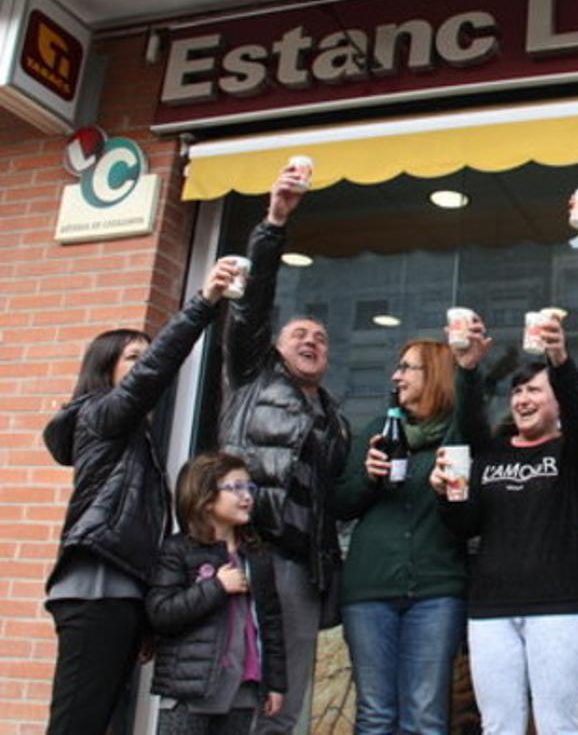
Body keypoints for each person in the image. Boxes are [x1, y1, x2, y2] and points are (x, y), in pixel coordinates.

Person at [41, 258, 237, 735]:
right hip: (96, 594)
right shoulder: (98, 417)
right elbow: (154, 373)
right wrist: (204, 303)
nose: (144, 364)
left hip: (120, 596)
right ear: (105, 371)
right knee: (76, 725)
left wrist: (145, 610)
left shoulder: (134, 442)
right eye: (133, 357)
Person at [219, 163, 351, 735]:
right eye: (299, 334)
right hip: (246, 554)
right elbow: (250, 305)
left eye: (320, 339)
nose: (312, 340)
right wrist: (274, 222)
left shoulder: (336, 421)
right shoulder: (253, 378)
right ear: (273, 349)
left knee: (284, 704)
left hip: (299, 569)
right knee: (227, 690)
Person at [429, 311, 578, 735]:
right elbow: (465, 523)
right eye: (517, 391)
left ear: (557, 400)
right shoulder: (491, 453)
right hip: (491, 611)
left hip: (561, 609)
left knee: (557, 725)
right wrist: (466, 368)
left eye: (534, 391)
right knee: (499, 726)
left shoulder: (572, 453)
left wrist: (559, 360)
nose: (522, 399)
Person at [333, 339, 467, 734]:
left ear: (436, 376)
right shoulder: (378, 430)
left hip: (437, 590)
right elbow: (340, 504)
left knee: (425, 716)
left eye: (407, 368)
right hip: (370, 590)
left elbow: (470, 518)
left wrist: (450, 493)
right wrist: (369, 479)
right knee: (375, 715)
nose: (396, 376)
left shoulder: (459, 435)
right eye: (398, 368)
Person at [146, 452, 287, 734]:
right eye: (235, 487)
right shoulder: (179, 550)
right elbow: (160, 613)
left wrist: (275, 683)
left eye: (249, 487)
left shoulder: (256, 556)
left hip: (242, 691)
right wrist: (217, 587)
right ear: (206, 499)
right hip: (191, 691)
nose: (247, 495)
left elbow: (271, 624)